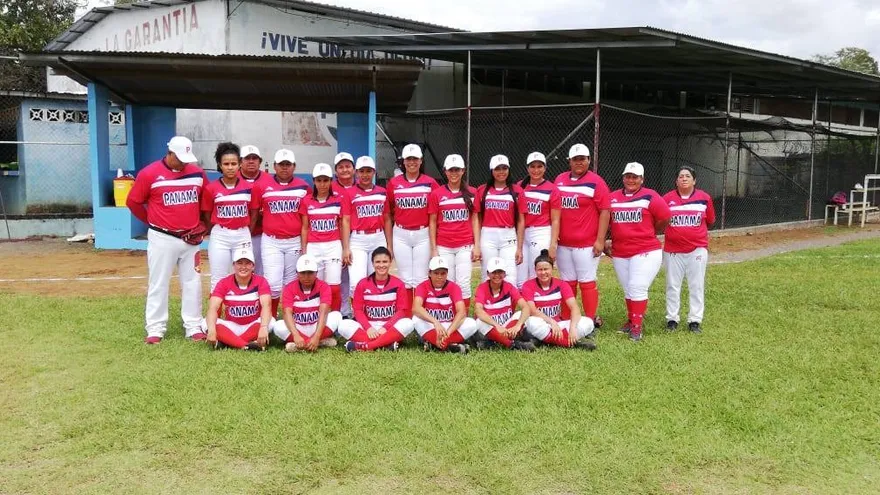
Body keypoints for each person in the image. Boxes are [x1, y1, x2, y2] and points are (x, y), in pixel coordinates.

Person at [126, 136, 208, 344]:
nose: (183, 163)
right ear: (169, 153)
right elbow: (133, 202)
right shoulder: (149, 174)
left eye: (186, 159)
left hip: (190, 238)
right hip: (162, 238)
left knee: (192, 282)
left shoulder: (197, 173)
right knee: (159, 283)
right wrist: (152, 221)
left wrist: (202, 224)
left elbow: (205, 200)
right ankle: (155, 328)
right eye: (179, 158)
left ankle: (193, 325)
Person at [607, 162, 671, 342]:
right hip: (620, 250)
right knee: (628, 288)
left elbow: (665, 217)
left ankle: (637, 327)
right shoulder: (613, 197)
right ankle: (631, 320)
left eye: (635, 177)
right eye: (628, 176)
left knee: (637, 286)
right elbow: (605, 219)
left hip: (645, 249)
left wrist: (650, 230)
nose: (631, 180)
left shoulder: (650, 196)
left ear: (642, 179)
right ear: (623, 178)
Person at [552, 143, 611, 327]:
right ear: (569, 161)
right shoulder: (560, 180)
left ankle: (589, 320)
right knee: (567, 283)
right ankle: (566, 318)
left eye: (582, 159)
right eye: (575, 159)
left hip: (586, 243)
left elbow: (605, 211)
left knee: (587, 282)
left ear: (589, 160)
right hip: (564, 243)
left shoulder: (596, 182)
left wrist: (600, 240)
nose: (579, 162)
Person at [249, 149, 310, 317]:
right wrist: (247, 235)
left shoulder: (304, 187)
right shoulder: (262, 186)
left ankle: (291, 317)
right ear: (274, 166)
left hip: (294, 240)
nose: (284, 167)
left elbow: (307, 217)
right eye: (281, 164)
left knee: (291, 282)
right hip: (271, 240)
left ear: (294, 166)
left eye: (288, 164)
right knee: (273, 283)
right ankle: (271, 317)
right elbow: (254, 213)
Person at [386, 144, 440, 310]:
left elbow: (436, 212)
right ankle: (407, 316)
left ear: (421, 161)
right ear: (403, 162)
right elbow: (389, 211)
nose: (412, 162)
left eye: (415, 159)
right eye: (408, 159)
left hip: (422, 233)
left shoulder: (430, 183)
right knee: (405, 278)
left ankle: (421, 314)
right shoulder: (394, 183)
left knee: (421, 278)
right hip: (401, 233)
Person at [663, 166, 716, 334]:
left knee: (696, 285)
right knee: (672, 285)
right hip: (673, 250)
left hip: (697, 249)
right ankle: (672, 319)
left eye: (688, 176)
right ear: (676, 181)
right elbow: (661, 220)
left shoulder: (704, 198)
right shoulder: (667, 199)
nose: (684, 179)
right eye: (681, 176)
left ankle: (695, 320)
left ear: (694, 180)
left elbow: (710, 220)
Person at [428, 154, 480, 312]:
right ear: (445, 171)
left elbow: (475, 220)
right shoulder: (437, 194)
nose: (454, 173)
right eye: (451, 170)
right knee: (447, 282)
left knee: (463, 284)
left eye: (457, 169)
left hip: (464, 244)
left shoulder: (472, 192)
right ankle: (448, 316)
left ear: (463, 170)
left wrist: (477, 245)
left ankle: (462, 317)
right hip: (444, 245)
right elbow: (432, 222)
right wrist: (434, 249)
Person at [340, 247, 415, 352]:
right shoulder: (362, 283)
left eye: (385, 261)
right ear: (372, 263)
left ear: (390, 263)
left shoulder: (398, 284)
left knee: (408, 323)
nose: (381, 265)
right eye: (378, 262)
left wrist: (386, 327)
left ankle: (366, 346)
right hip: (369, 327)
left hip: (389, 327)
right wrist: (368, 328)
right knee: (343, 325)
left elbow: (401, 311)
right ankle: (386, 344)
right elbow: (358, 310)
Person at [202, 142, 254, 292]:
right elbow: (207, 213)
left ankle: (240, 307)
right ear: (220, 165)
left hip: (243, 235)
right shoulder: (211, 188)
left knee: (243, 276)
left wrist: (246, 230)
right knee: (218, 278)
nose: (230, 167)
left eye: (233, 163)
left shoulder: (249, 188)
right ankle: (216, 308)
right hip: (220, 235)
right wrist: (217, 229)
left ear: (240, 164)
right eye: (226, 164)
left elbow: (254, 212)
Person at [299, 162, 351, 311]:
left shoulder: (338, 200)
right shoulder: (306, 200)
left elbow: (344, 225)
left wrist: (345, 248)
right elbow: (305, 227)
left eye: (326, 180)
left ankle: (335, 317)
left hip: (333, 246)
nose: (322, 184)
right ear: (314, 181)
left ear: (331, 181)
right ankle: (317, 316)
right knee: (316, 285)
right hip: (313, 247)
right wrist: (304, 251)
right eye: (319, 180)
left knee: (334, 287)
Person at [521, 249, 596, 349]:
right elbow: (532, 310)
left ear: (552, 269)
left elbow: (574, 308)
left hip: (558, 323)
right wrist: (551, 322)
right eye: (540, 270)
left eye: (546, 269)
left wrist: (572, 328)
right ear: (535, 270)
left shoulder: (561, 284)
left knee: (588, 323)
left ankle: (545, 340)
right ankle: (570, 343)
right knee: (532, 322)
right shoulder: (528, 285)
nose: (543, 272)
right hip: (541, 322)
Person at [205, 245, 272, 350]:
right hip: (232, 326)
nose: (243, 267)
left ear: (253, 266)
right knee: (206, 323)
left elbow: (266, 306)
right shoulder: (224, 283)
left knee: (271, 322)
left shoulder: (261, 281)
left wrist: (263, 327)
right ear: (233, 265)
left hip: (253, 325)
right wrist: (212, 330)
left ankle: (228, 342)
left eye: (247, 263)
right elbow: (213, 308)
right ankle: (246, 346)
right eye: (239, 263)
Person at [271, 254, 342, 352]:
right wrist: (296, 335)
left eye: (310, 273)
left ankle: (302, 345)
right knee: (278, 326)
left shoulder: (324, 286)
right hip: (298, 326)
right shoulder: (289, 288)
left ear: (316, 273)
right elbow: (287, 313)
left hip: (317, 325)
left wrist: (316, 336)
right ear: (297, 273)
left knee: (337, 316)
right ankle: (318, 342)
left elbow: (324, 312)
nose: (306, 277)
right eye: (303, 273)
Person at [347, 156, 392, 304]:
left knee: (378, 278)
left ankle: (375, 311)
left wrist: (389, 246)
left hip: (378, 237)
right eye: (361, 171)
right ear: (356, 173)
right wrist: (346, 247)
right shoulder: (350, 193)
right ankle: (357, 312)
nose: (365, 175)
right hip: (358, 239)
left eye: (368, 171)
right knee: (356, 282)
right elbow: (345, 221)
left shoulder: (382, 192)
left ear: (374, 172)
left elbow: (387, 219)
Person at [411, 256, 478, 354]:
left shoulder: (454, 287)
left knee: (472, 323)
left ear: (447, 273)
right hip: (432, 326)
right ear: (429, 273)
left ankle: (435, 344)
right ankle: (450, 345)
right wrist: (435, 322)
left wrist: (448, 332)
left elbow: (461, 312)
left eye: (443, 273)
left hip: (450, 326)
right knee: (416, 319)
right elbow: (416, 308)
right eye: (436, 273)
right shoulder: (422, 286)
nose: (439, 276)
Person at [475, 154, 522, 286]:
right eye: (497, 168)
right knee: (487, 275)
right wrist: (477, 244)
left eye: (504, 168)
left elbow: (520, 221)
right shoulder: (482, 190)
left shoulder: (517, 191)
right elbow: (478, 219)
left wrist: (519, 247)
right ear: (491, 170)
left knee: (510, 276)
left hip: (509, 236)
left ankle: (509, 300)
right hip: (488, 236)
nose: (501, 172)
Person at [516, 151, 560, 288]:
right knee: (519, 274)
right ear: (527, 168)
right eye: (532, 166)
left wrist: (553, 244)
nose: (536, 170)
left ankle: (536, 301)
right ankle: (523, 301)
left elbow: (555, 220)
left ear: (545, 168)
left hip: (541, 232)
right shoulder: (520, 186)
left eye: (539, 166)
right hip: (521, 232)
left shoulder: (552, 189)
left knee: (536, 273)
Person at [473, 257, 536, 351]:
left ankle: (494, 342)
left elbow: (525, 307)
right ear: (488, 273)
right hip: (491, 325)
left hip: (507, 326)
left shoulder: (509, 287)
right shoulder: (482, 288)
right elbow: (478, 310)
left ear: (505, 273)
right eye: (494, 272)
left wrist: (517, 326)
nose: (497, 275)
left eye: (500, 272)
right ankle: (512, 344)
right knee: (479, 321)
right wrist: (497, 326)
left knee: (520, 314)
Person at [238, 145, 271, 275]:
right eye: (247, 158)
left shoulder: (269, 179)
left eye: (254, 158)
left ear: (260, 161)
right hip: (237, 234)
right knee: (237, 271)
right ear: (240, 161)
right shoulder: (232, 178)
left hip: (260, 234)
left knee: (260, 272)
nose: (251, 161)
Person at [332, 152, 357, 318]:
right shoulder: (330, 187)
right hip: (335, 237)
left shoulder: (361, 186)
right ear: (336, 171)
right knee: (339, 277)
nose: (345, 170)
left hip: (357, 237)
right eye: (341, 167)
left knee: (355, 276)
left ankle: (357, 311)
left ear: (354, 169)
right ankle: (343, 312)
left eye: (348, 166)